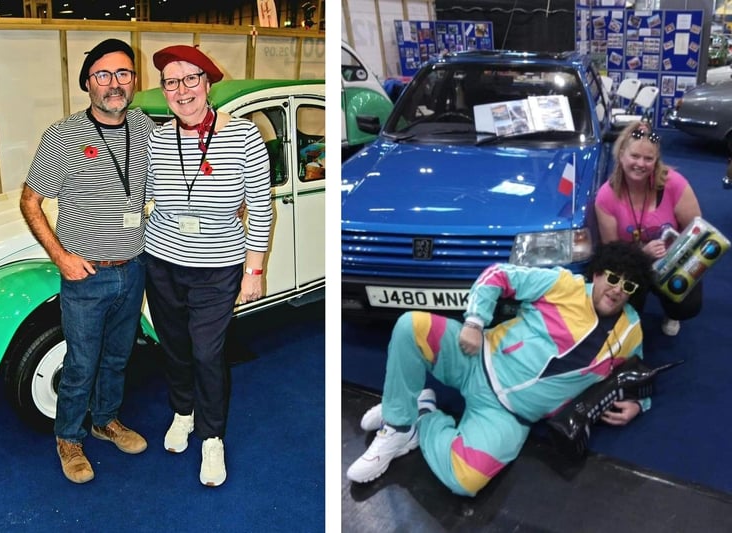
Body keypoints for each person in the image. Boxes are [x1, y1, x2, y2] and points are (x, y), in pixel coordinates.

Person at [346, 241, 652, 496]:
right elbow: (497, 275)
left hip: (508, 414)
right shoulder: (563, 285)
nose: (617, 290)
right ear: (597, 273)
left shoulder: (630, 331)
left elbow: (639, 372)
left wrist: (639, 403)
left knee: (465, 481)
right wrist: (475, 321)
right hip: (475, 359)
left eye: (628, 285)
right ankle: (398, 425)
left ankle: (422, 416)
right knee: (410, 327)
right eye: (613, 278)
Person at [20, 38, 156, 484]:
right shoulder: (63, 136)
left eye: (123, 74)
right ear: (88, 84)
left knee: (118, 357)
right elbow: (30, 201)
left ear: (134, 81)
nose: (114, 84)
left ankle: (105, 421)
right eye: (103, 75)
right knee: (81, 363)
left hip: (132, 268)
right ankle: (69, 438)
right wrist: (60, 256)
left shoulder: (145, 127)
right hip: (86, 276)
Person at [144, 44, 273, 487]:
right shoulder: (158, 138)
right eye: (171, 82)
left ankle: (212, 438)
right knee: (175, 347)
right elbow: (136, 196)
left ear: (207, 84)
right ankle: (183, 412)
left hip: (218, 268)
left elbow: (261, 207)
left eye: (190, 79)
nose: (181, 90)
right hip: (161, 262)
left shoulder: (243, 137)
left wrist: (253, 271)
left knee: (207, 352)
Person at [595, 120, 703, 336]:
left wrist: (672, 253)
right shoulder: (606, 196)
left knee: (687, 306)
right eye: (634, 156)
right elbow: (611, 251)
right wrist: (642, 253)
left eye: (648, 159)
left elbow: (697, 231)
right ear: (621, 155)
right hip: (633, 263)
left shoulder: (675, 183)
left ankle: (671, 312)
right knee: (614, 309)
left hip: (672, 260)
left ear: (656, 161)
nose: (640, 164)